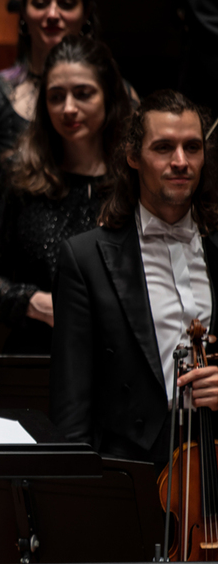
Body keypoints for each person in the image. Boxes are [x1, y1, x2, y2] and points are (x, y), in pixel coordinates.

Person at [52, 89, 218, 465]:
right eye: (163, 148)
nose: (180, 161)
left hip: (213, 456)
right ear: (133, 157)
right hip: (133, 466)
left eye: (192, 147)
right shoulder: (85, 259)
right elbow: (71, 402)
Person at [0, 36, 131, 354]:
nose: (68, 108)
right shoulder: (21, 178)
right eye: (56, 96)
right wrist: (34, 302)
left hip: (123, 359)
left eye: (83, 94)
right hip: (43, 356)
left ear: (109, 96)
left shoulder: (135, 180)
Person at [0, 0, 133, 249]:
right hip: (20, 263)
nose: (52, 14)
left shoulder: (119, 93)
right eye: (40, 3)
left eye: (66, 3)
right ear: (23, 13)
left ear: (86, 13)